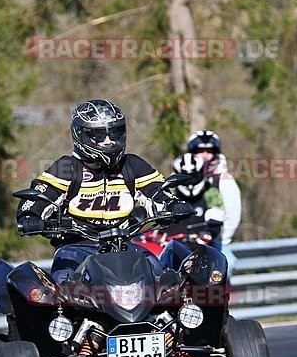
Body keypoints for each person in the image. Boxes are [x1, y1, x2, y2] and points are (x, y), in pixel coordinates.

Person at [16, 99, 193, 284]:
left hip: (125, 247)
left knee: (160, 278)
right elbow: (38, 197)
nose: (109, 141)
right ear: (81, 135)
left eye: (115, 134)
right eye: (99, 136)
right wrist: (29, 216)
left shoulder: (132, 165)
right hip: (76, 246)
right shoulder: (66, 168)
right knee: (63, 285)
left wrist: (174, 205)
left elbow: (158, 193)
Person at [186, 130, 241, 272]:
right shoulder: (180, 175)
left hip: (215, 241)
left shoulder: (224, 180)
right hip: (184, 238)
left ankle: (217, 294)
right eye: (200, 150)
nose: (204, 155)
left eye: (208, 150)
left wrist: (219, 238)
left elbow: (233, 214)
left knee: (226, 265)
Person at [166, 153, 225, 250]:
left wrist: (211, 230)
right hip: (170, 244)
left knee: (229, 261)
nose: (189, 184)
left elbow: (218, 210)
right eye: (184, 178)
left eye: (193, 178)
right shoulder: (169, 192)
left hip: (206, 245)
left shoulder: (210, 191)